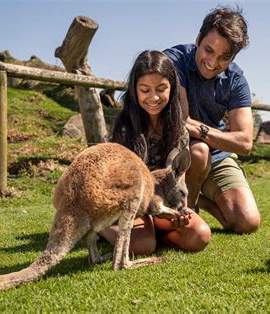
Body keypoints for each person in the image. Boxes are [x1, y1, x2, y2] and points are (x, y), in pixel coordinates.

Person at [99, 50, 211, 255]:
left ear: (172, 88)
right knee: (143, 245)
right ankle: (98, 227)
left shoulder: (179, 130)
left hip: (162, 205)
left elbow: (179, 181)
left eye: (161, 89)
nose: (154, 97)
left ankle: (154, 232)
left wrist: (179, 212)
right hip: (131, 203)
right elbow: (120, 189)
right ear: (135, 90)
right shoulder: (124, 129)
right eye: (145, 90)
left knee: (199, 236)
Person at [163, 6, 261, 234]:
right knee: (198, 152)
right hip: (175, 147)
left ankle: (199, 201)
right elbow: (181, 123)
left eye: (224, 57)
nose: (213, 62)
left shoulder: (237, 81)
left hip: (217, 155)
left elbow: (245, 143)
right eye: (208, 50)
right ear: (198, 38)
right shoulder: (173, 61)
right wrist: (220, 136)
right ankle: (189, 207)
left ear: (233, 57)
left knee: (248, 223)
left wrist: (205, 133)